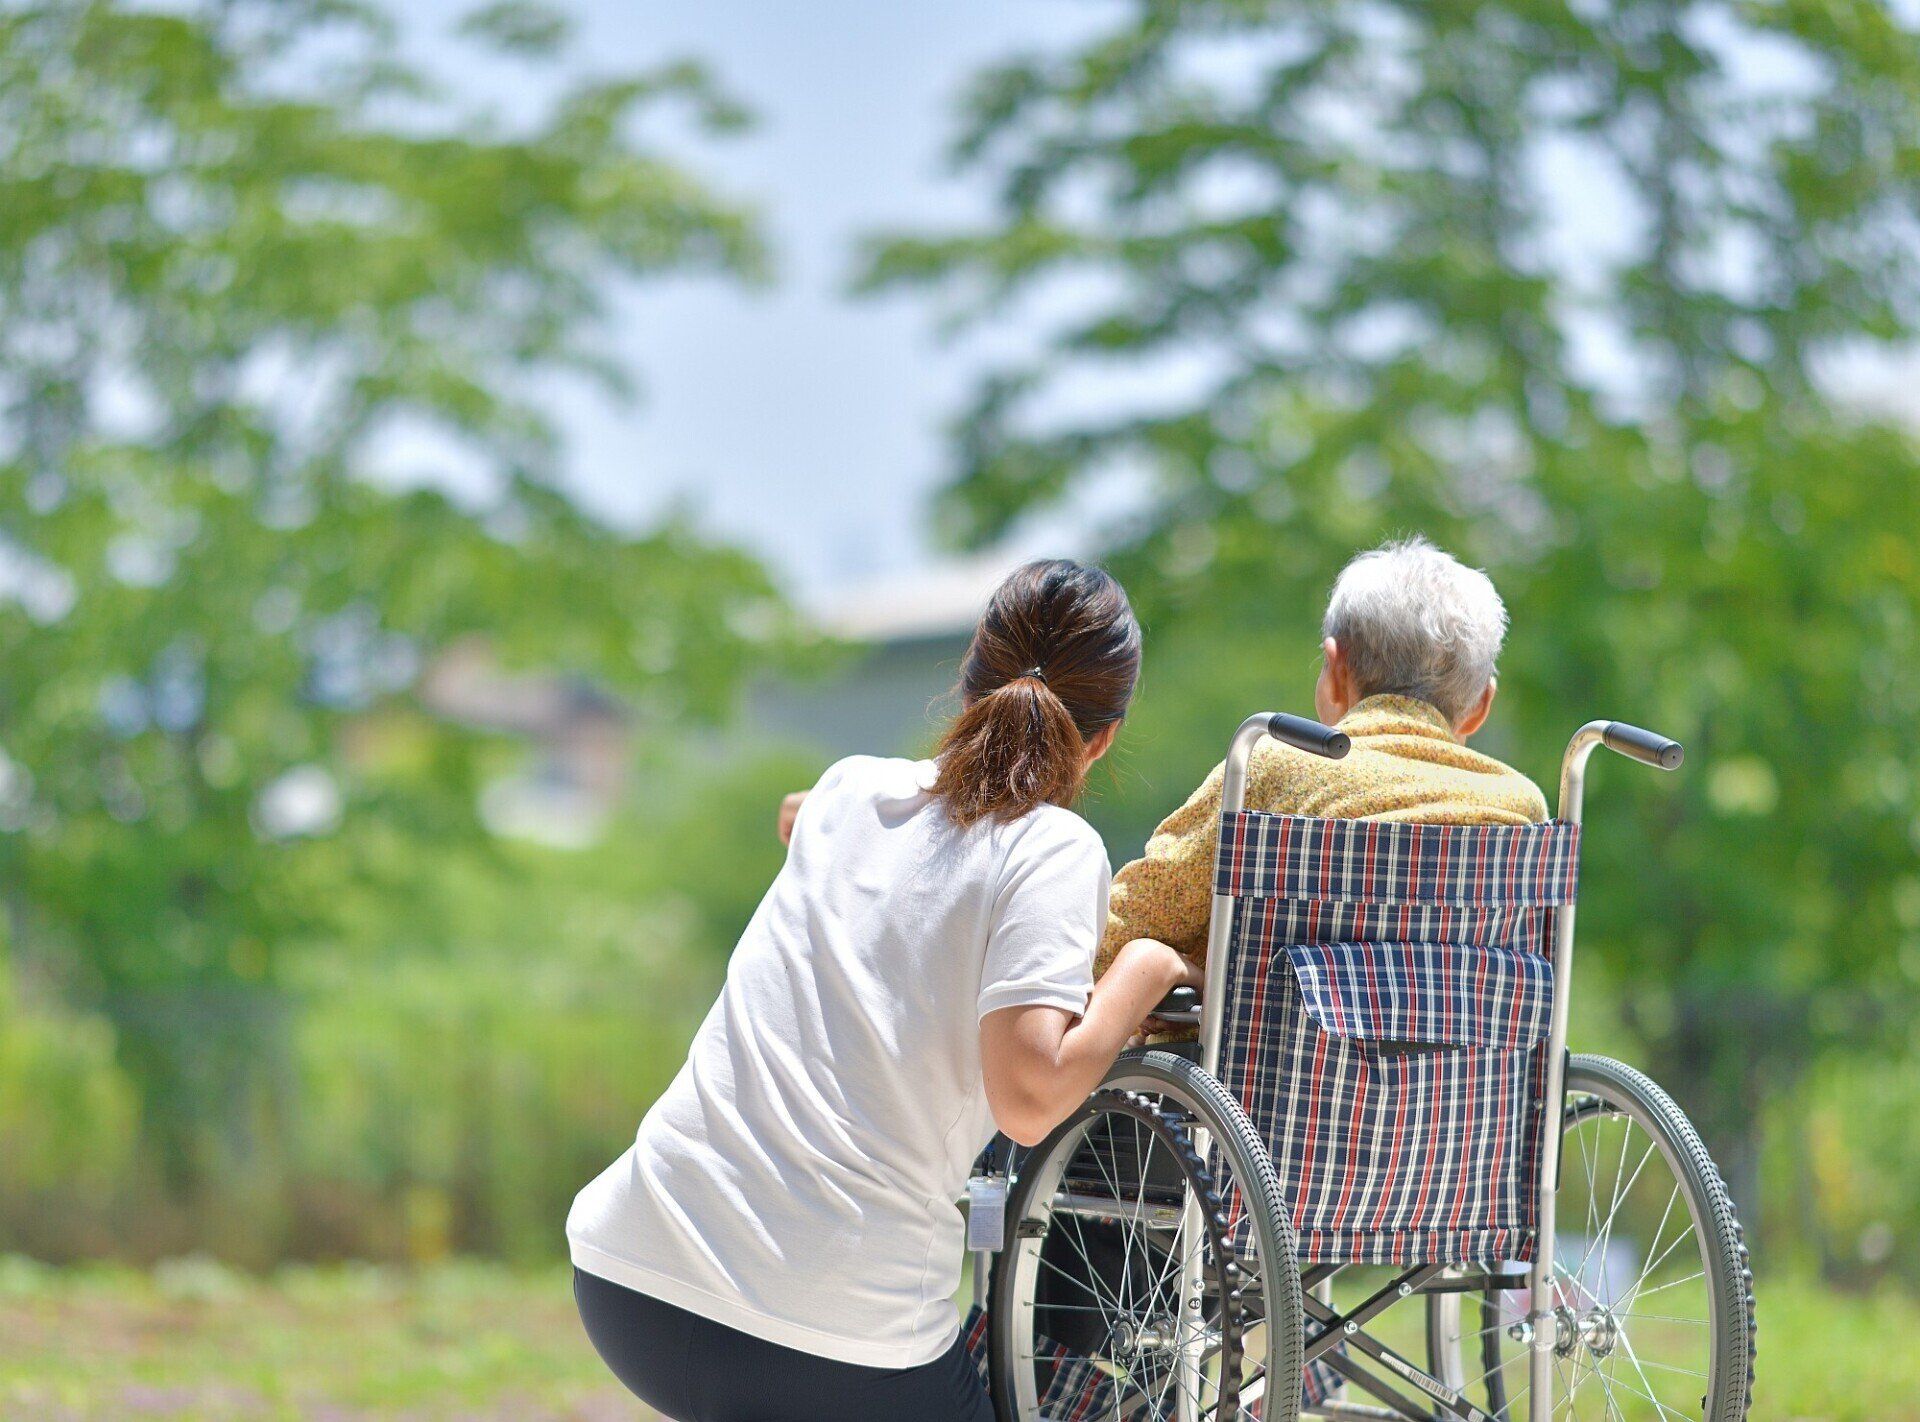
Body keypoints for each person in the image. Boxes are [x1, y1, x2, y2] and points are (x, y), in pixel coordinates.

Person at [567, 559, 1198, 1422]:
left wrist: (824, 818)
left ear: (967, 681)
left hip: (630, 1279)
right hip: (832, 1336)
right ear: (1105, 736)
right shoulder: (1052, 847)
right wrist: (1146, 970)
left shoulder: (847, 788)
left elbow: (808, 815)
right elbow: (1028, 1095)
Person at [1101, 533, 1548, 995]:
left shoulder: (1276, 768)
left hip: (1270, 1065)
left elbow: (1130, 926)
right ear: (1481, 706)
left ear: (1336, 670)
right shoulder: (1522, 808)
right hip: (1463, 1069)